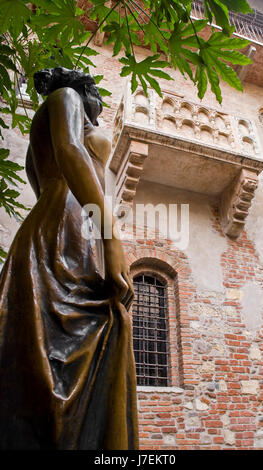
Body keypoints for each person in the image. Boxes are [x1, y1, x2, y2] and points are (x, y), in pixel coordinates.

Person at [0, 67, 138, 450]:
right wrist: (111, 239)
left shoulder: (39, 133)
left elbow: (38, 178)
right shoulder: (66, 99)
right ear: (83, 89)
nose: (100, 109)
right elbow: (71, 151)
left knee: (94, 326)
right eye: (97, 96)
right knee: (93, 326)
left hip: (69, 226)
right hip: (66, 227)